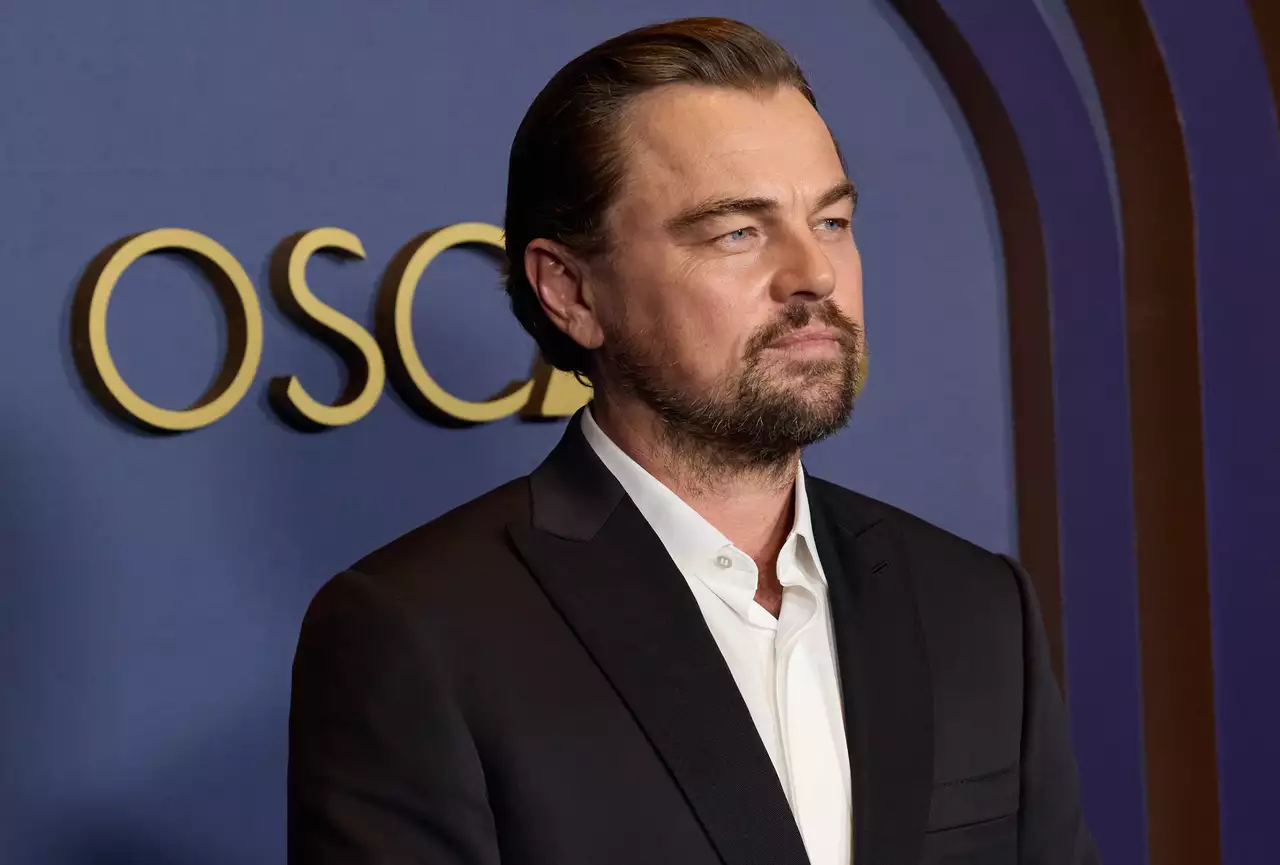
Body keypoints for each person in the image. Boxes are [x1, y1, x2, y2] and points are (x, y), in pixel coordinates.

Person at [287, 16, 1098, 865]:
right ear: (570, 291)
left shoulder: (976, 607)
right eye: (736, 231)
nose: (814, 274)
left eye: (831, 221)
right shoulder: (420, 633)